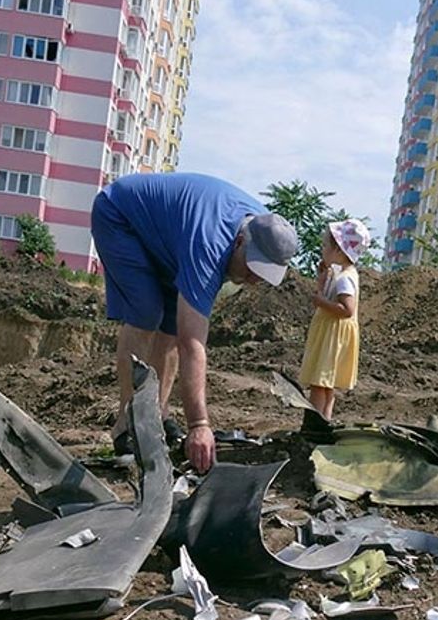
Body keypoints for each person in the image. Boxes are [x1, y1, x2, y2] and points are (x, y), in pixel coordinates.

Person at [90, 172, 297, 473]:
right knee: (147, 312)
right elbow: (193, 344)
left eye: (263, 275)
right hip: (121, 216)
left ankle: (154, 420)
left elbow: (179, 335)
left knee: (171, 325)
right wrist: (199, 424)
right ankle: (128, 424)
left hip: (170, 239)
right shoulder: (210, 244)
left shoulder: (267, 231)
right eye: (252, 268)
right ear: (239, 242)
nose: (253, 280)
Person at [299, 218, 370, 420]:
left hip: (333, 336)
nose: (322, 250)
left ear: (339, 250)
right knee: (326, 385)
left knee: (319, 384)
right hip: (331, 334)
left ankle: (313, 425)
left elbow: (347, 309)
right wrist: (321, 284)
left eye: (325, 245)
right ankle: (324, 423)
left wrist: (320, 301)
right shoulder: (341, 274)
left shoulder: (345, 278)